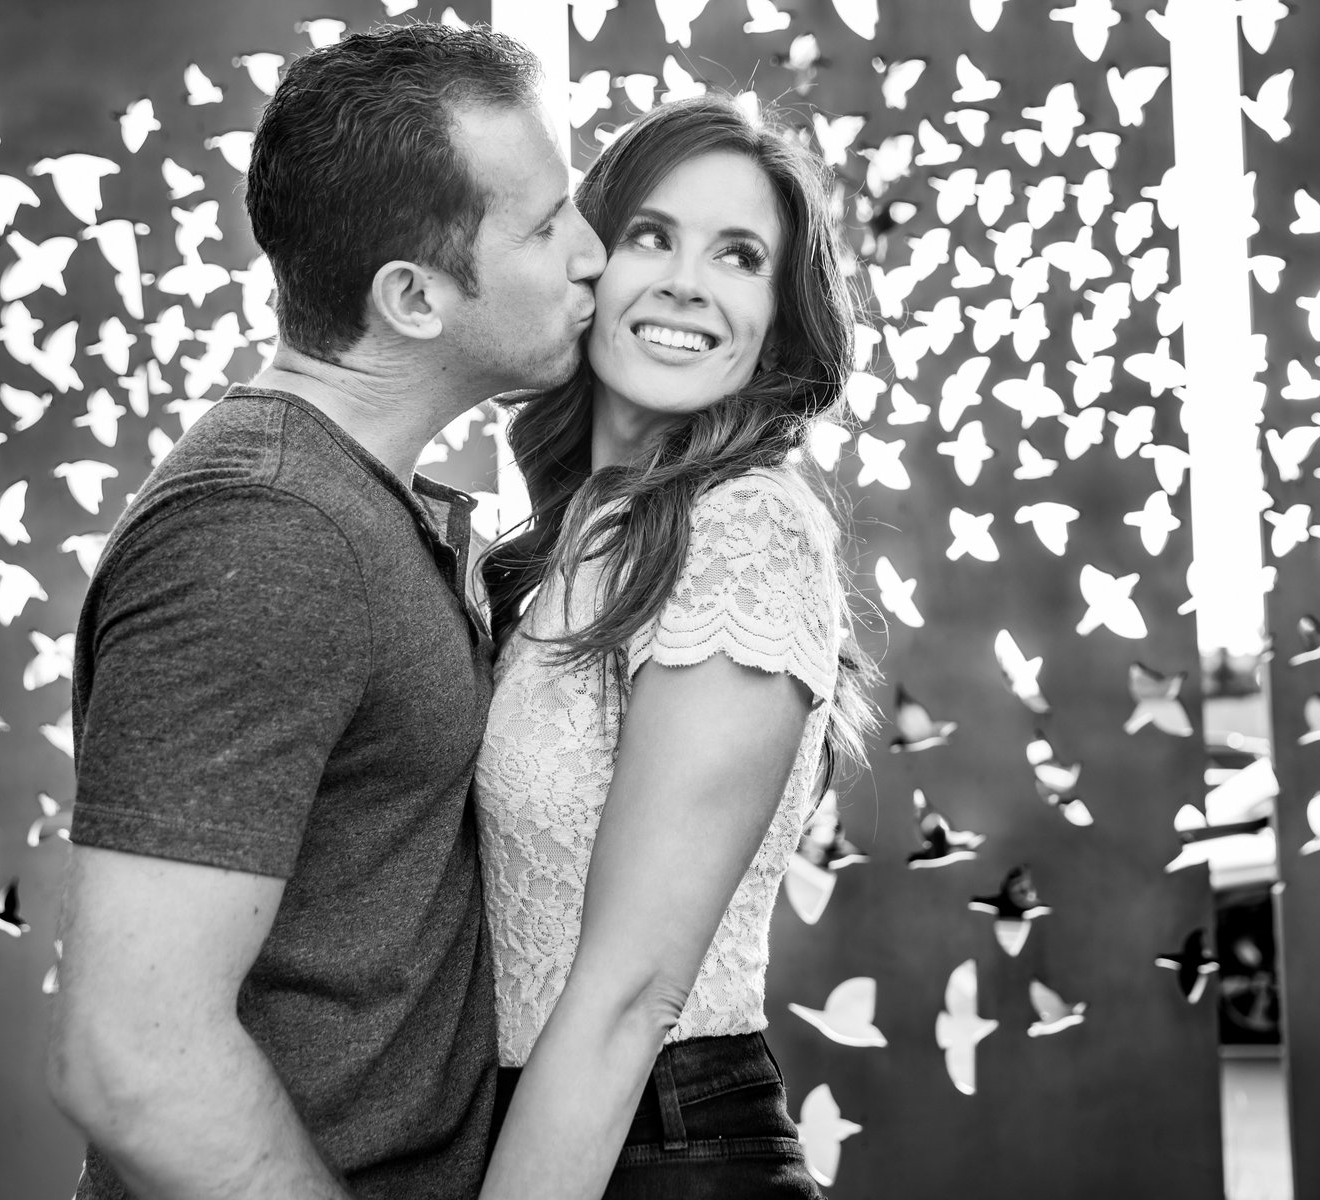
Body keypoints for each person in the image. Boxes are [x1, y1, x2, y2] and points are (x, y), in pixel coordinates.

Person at [45, 24, 603, 1200]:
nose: (592, 254)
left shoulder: (351, 507)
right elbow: (134, 1061)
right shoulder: (267, 532)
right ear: (412, 297)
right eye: (549, 224)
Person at [474, 95, 878, 1198]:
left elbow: (633, 994)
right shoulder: (567, 542)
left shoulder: (745, 527)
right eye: (652, 235)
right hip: (553, 1137)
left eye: (739, 256)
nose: (687, 283)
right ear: (587, 265)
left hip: (665, 1149)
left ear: (779, 325)